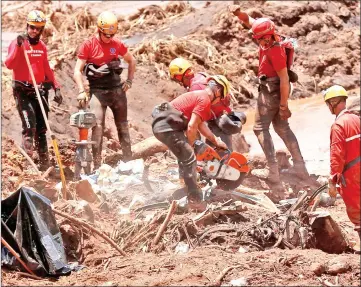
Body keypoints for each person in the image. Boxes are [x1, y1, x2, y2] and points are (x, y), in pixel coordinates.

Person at [229, 6, 309, 183]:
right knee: (282, 128)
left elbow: (285, 79)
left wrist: (283, 106)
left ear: (268, 36)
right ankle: (300, 168)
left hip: (272, 91)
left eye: (260, 40)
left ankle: (272, 171)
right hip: (274, 90)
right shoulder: (267, 33)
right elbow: (248, 19)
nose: (259, 43)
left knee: (259, 128)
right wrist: (238, 13)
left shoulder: (275, 50)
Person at [73, 11, 136, 169]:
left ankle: (128, 161)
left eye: (112, 34)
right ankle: (97, 164)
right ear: (99, 30)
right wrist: (81, 90)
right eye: (107, 35)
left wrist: (129, 80)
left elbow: (131, 60)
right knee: (98, 126)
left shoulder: (117, 44)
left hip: (116, 89)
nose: (109, 38)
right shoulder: (88, 45)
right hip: (98, 91)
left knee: (122, 125)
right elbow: (77, 70)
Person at [152, 75, 229, 201]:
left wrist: (216, 141)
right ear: (218, 91)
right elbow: (192, 126)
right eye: (221, 98)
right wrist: (192, 146)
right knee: (189, 157)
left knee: (185, 155)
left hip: (165, 123)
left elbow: (201, 125)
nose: (218, 101)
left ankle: (184, 185)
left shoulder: (200, 96)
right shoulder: (204, 100)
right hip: (166, 125)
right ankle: (195, 198)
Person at [5, 10, 63, 171]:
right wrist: (17, 45)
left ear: (42, 30)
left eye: (38, 29)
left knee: (42, 130)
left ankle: (45, 165)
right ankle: (27, 167)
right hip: (22, 90)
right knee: (29, 126)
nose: (34, 31)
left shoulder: (42, 47)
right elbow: (9, 64)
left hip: (39, 91)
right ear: (27, 26)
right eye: (32, 27)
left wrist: (56, 86)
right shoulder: (19, 43)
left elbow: (46, 69)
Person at [168, 58, 246, 151]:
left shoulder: (195, 88)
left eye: (177, 79)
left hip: (217, 122)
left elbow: (195, 123)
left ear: (179, 76)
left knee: (222, 157)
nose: (179, 83)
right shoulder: (201, 76)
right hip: (224, 114)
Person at [323, 85, 360, 240]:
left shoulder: (338, 125)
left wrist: (333, 179)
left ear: (333, 102)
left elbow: (336, 155)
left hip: (351, 174)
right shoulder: (356, 118)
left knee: (356, 210)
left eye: (328, 104)